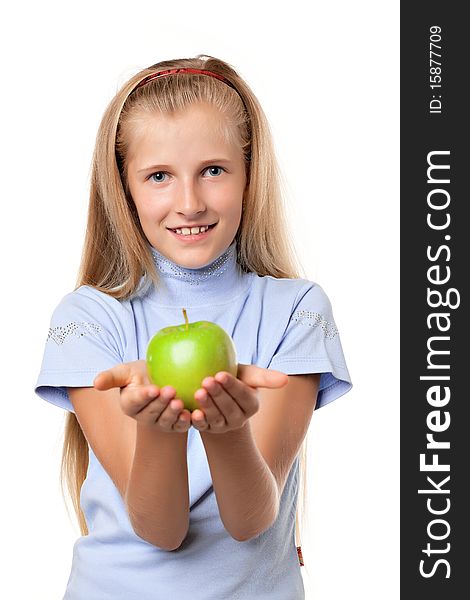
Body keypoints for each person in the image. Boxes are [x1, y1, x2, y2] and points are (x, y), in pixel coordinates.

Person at [34, 54, 353, 600]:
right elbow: (161, 530)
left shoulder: (296, 308)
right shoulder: (89, 319)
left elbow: (251, 520)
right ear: (125, 190)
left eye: (213, 170)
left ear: (250, 174)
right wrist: (161, 430)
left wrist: (226, 433)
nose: (189, 203)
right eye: (159, 176)